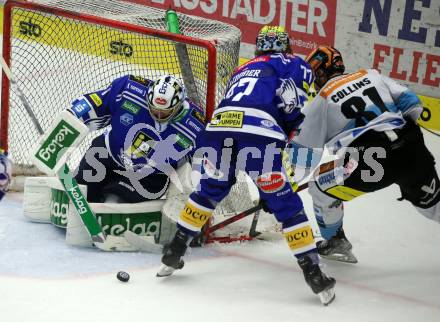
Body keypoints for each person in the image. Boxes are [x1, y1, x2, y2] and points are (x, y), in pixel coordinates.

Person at [157, 26, 336, 306]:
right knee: (286, 206)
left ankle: (175, 249)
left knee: (208, 191)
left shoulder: (243, 68)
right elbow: (296, 111)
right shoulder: (296, 64)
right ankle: (314, 273)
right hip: (258, 135)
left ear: (259, 48)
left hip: (217, 130)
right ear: (286, 46)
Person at [288, 45, 440, 263]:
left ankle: (335, 241)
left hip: (371, 162)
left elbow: (301, 157)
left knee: (320, 185)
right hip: (413, 149)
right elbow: (412, 103)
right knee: (434, 206)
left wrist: (283, 187)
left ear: (321, 71)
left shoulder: (322, 100)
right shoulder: (371, 75)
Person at [69, 74, 205, 203]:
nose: (157, 114)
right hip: (109, 153)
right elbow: (95, 102)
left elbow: (204, 165)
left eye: (164, 112)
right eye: (154, 108)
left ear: (178, 106)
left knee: (114, 200)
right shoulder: (129, 89)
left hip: (149, 178)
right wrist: (71, 116)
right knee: (80, 187)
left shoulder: (195, 126)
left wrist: (196, 196)